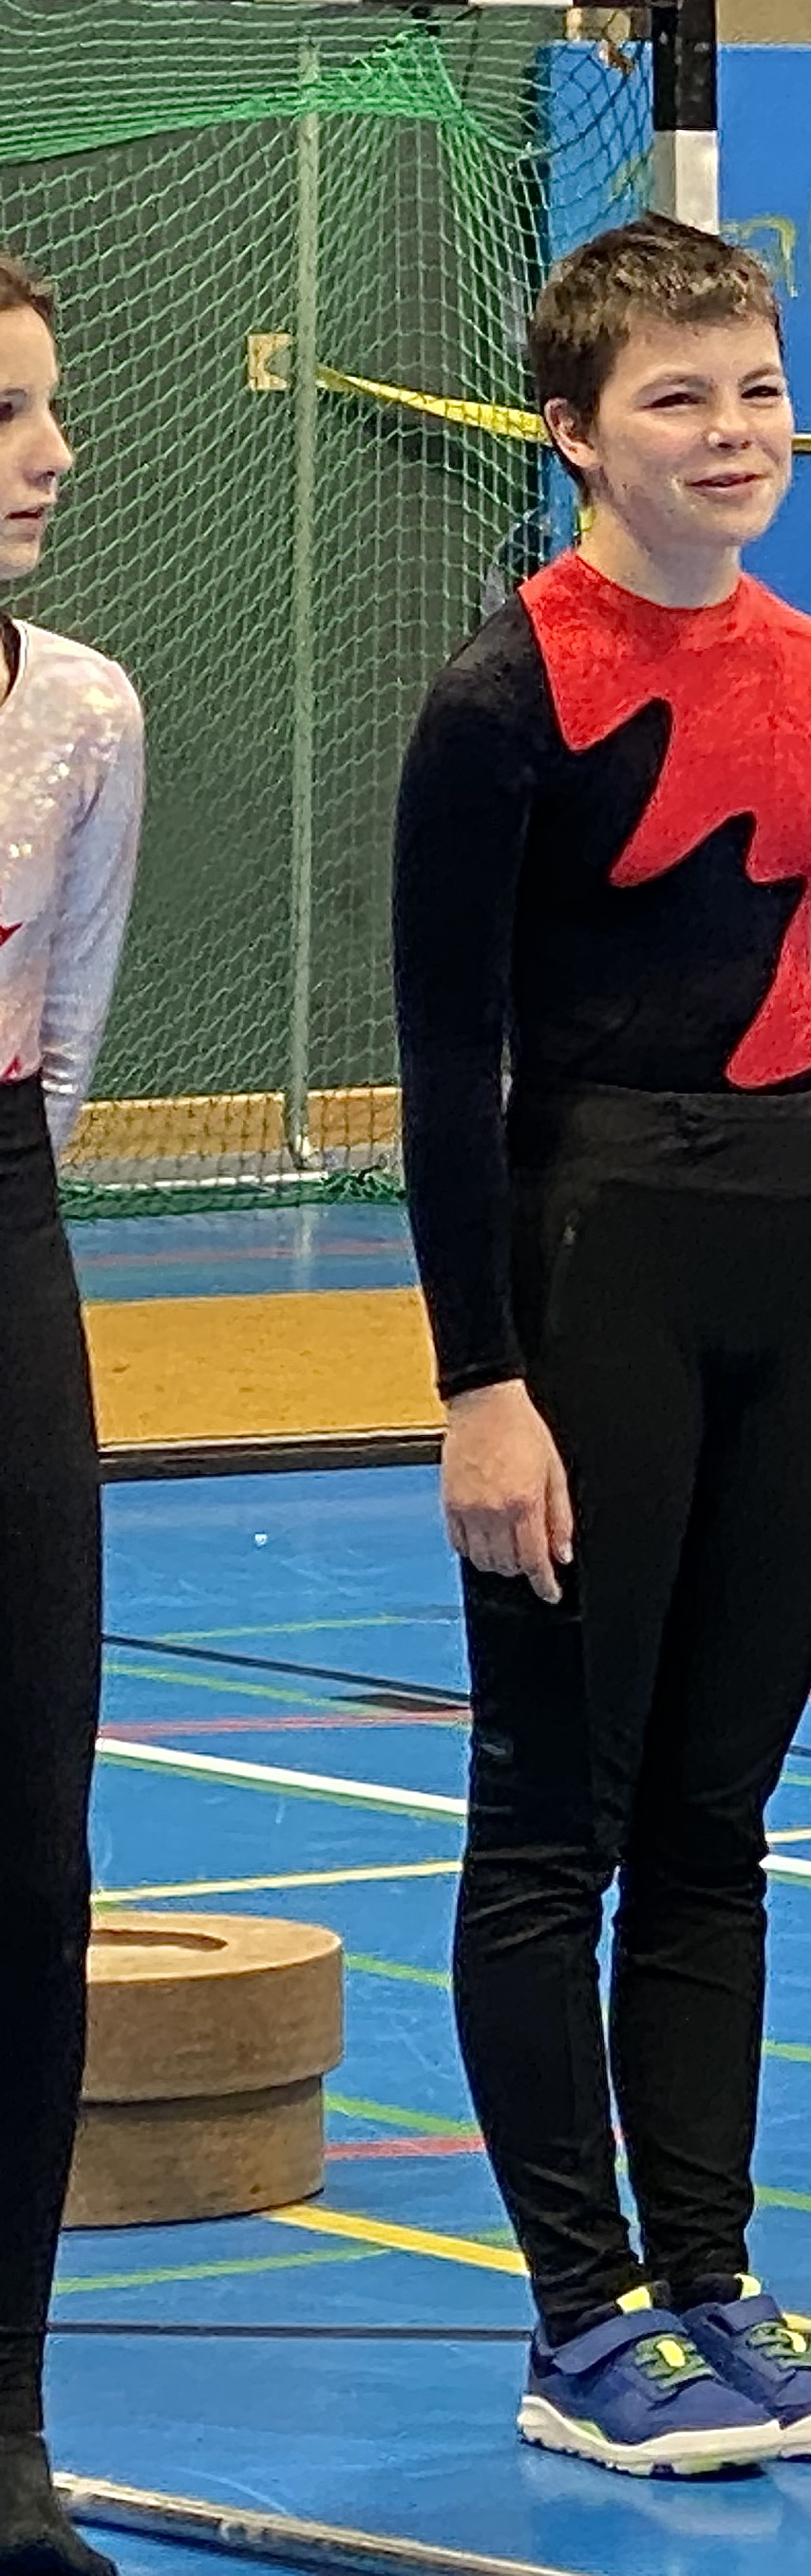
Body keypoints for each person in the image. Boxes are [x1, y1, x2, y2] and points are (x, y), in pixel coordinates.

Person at [392, 215, 811, 2473]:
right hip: (591, 1256)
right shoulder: (503, 698)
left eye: (758, 390)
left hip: (795, 1251)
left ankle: (716, 2279)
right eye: (678, 399)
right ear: (572, 433)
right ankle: (581, 2317)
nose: (734, 434)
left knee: (718, 1814)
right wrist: (481, 1383)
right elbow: (445, 1068)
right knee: (560, 1814)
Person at [0, 252, 142, 2576]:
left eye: (41, 408)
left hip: (4, 1235)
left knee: (30, 1867)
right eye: (1, 416)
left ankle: (4, 2424)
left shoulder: (84, 714)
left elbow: (73, 1045)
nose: (48, 452)